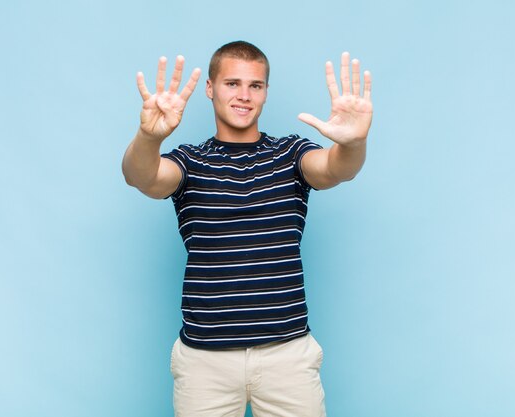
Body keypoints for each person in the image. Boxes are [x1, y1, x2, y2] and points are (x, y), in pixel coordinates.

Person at [122, 41, 372, 417]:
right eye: (232, 83)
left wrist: (353, 144)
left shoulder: (290, 154)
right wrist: (150, 137)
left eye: (255, 85)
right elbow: (141, 177)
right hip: (205, 364)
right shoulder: (191, 160)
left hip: (287, 357)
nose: (244, 95)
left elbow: (336, 168)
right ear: (210, 88)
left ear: (266, 93)